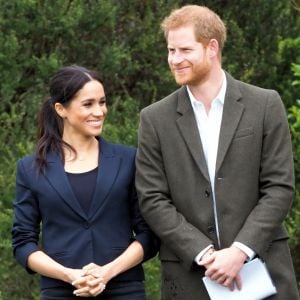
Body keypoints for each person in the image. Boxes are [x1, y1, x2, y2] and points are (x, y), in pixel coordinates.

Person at [135, 5, 299, 300]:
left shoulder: (264, 105)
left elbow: (279, 188)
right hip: (190, 279)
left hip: (263, 271)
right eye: (171, 50)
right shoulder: (154, 118)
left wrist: (239, 251)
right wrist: (205, 254)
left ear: (212, 48)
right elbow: (152, 198)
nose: (175, 60)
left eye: (185, 50)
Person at [12, 65, 159, 299]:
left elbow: (148, 234)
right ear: (61, 109)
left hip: (124, 290)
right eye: (88, 104)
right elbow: (22, 243)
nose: (100, 111)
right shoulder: (30, 169)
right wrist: (69, 275)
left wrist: (107, 273)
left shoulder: (129, 159)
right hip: (60, 292)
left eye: (102, 102)